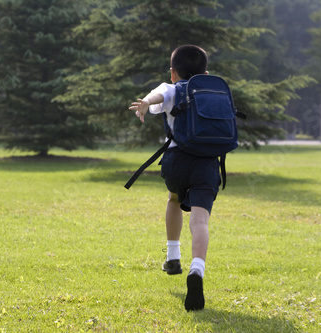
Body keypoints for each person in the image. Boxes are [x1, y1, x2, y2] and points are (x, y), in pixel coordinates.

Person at [128, 45, 220, 311]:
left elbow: (159, 94)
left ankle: (173, 257)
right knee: (200, 219)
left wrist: (146, 102)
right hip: (207, 163)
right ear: (206, 72)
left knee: (174, 199)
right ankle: (197, 269)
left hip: (177, 161)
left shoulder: (173, 88)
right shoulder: (213, 90)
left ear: (172, 73)